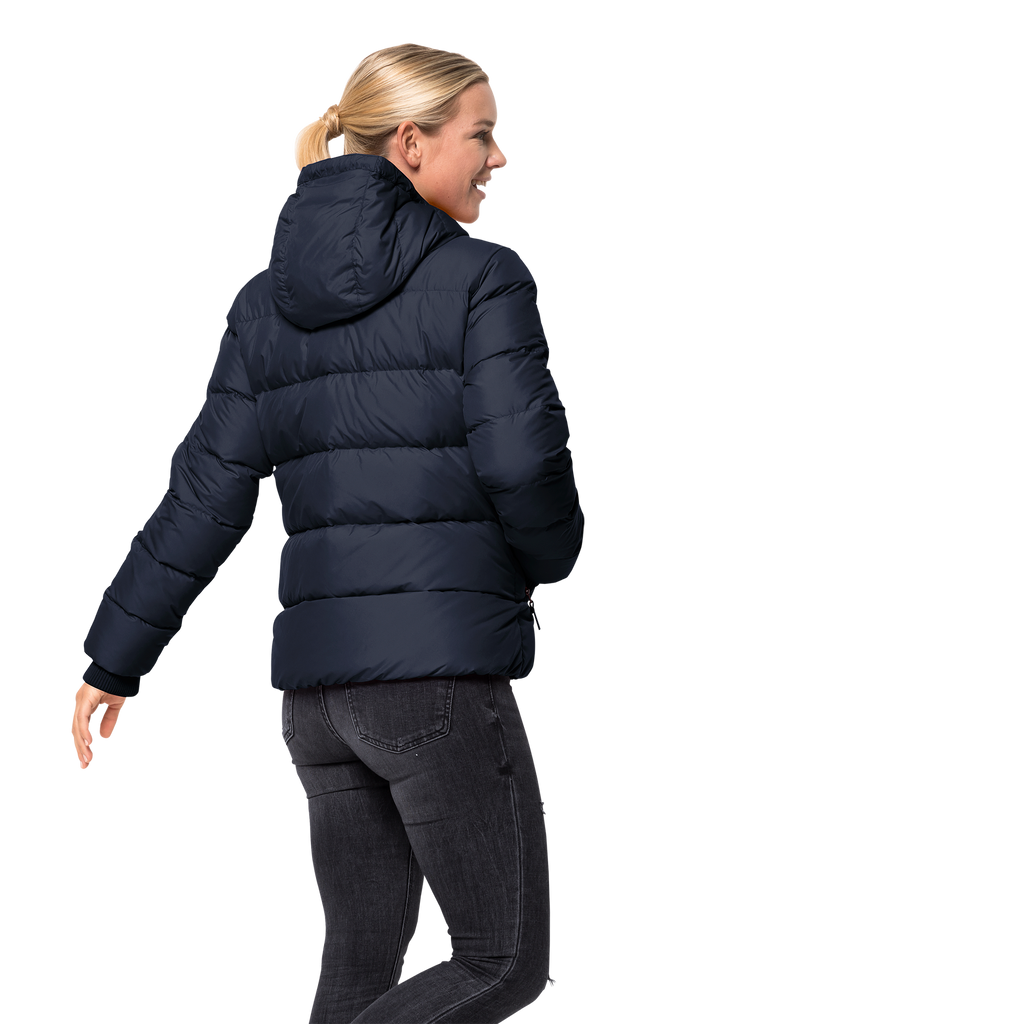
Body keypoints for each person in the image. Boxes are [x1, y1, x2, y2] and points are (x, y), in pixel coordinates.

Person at [69, 39, 586, 1023]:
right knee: (500, 962)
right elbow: (525, 464)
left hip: (318, 704)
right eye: (483, 133)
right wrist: (548, 559)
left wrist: (114, 660)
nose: (500, 157)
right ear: (411, 143)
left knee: (358, 974)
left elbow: (202, 497)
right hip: (437, 682)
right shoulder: (484, 276)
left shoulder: (261, 301)